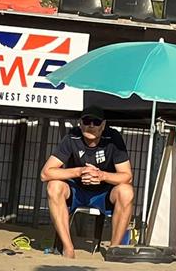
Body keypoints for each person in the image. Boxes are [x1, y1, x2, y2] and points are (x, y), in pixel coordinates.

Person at [41, 107, 135, 258]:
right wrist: (79, 171)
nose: (91, 125)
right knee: (53, 186)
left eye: (96, 122)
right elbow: (45, 173)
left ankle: (114, 250)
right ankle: (68, 248)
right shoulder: (72, 137)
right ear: (80, 123)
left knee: (126, 191)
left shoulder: (113, 138)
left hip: (104, 193)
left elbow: (127, 176)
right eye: (86, 121)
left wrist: (101, 175)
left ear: (103, 125)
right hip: (76, 191)